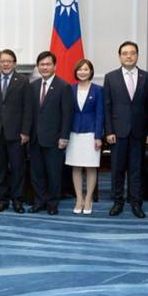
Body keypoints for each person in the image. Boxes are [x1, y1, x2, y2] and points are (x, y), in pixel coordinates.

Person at [103, 41, 148, 218]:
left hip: (139, 132)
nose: (129, 56)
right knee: (117, 169)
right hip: (117, 132)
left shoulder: (147, 78)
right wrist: (108, 131)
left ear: (137, 55)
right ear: (119, 56)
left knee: (136, 169)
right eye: (125, 53)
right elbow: (107, 106)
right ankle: (117, 202)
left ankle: (136, 203)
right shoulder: (110, 77)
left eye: (132, 53)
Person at [0, 49, 31, 213]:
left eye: (9, 61)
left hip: (17, 133)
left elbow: (28, 108)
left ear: (14, 63)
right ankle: (1, 200)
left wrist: (25, 131)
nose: (5, 64)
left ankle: (17, 200)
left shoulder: (23, 80)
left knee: (18, 168)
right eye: (2, 61)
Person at [28, 51, 72, 215]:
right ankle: (39, 201)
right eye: (42, 64)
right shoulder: (32, 86)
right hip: (35, 138)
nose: (44, 67)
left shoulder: (63, 86)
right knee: (36, 173)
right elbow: (30, 113)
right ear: (38, 67)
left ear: (54, 66)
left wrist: (64, 136)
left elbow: (67, 114)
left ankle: (53, 204)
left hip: (55, 139)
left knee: (54, 174)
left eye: (48, 64)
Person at [65, 59, 104, 215]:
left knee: (90, 166)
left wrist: (98, 135)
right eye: (80, 69)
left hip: (91, 133)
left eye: (86, 69)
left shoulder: (98, 90)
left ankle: (88, 199)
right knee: (76, 166)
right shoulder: (70, 89)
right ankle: (79, 199)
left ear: (91, 72)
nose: (82, 72)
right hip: (74, 132)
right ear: (76, 72)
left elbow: (100, 114)